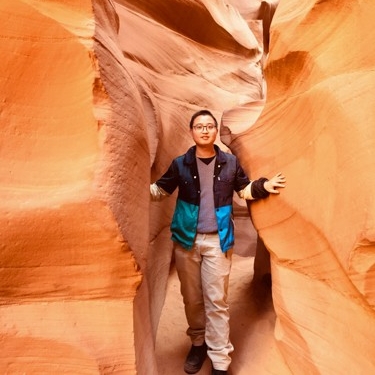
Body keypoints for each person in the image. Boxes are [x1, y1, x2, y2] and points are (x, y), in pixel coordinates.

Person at [150, 109, 286, 375]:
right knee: (192, 299)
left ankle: (220, 360)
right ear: (192, 131)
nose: (205, 130)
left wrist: (263, 186)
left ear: (215, 131)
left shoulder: (230, 163)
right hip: (186, 241)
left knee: (217, 301)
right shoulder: (181, 164)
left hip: (218, 242)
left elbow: (243, 189)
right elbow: (160, 191)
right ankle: (198, 343)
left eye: (209, 126)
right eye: (199, 126)